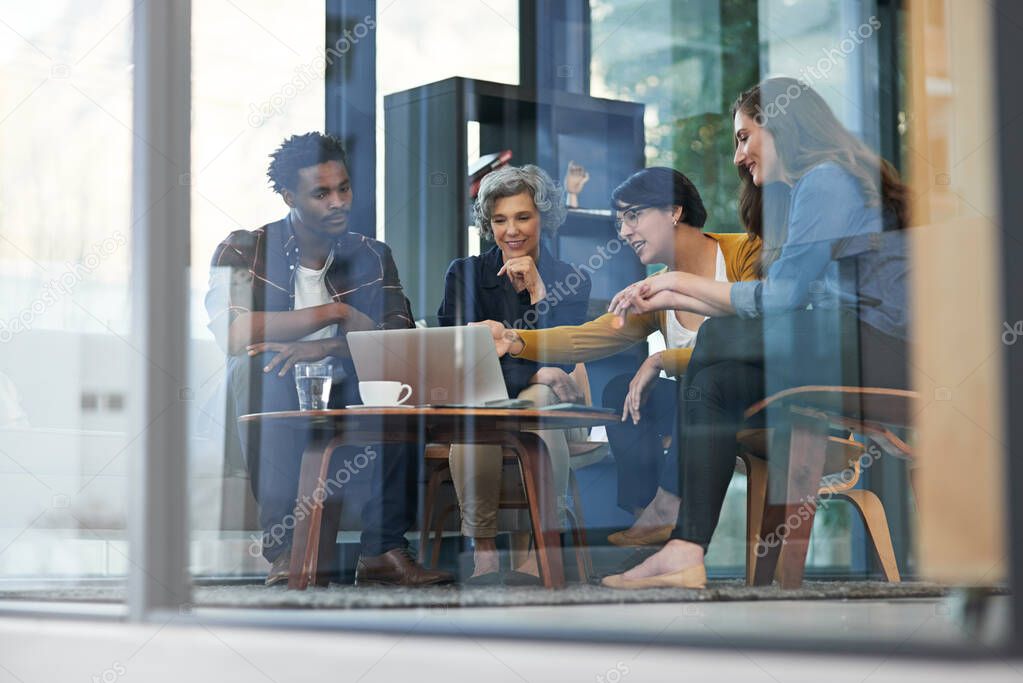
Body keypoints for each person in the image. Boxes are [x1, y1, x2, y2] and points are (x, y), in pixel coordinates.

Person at [600, 78, 911, 589]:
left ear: (782, 124)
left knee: (717, 340)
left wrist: (679, 284)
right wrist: (678, 294)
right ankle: (686, 546)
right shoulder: (806, 191)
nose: (738, 156)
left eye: (744, 137)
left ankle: (678, 519)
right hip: (844, 345)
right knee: (717, 380)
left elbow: (784, 298)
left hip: (882, 349)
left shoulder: (826, 180)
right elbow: (785, 301)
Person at [206, 132, 452, 587]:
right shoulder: (243, 249)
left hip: (347, 386)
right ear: (289, 196)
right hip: (273, 391)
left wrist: (320, 346)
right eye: (321, 193)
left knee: (396, 375)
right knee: (260, 369)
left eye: (344, 188)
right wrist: (337, 314)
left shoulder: (373, 256)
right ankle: (288, 552)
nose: (338, 202)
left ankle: (383, 550)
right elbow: (235, 332)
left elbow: (394, 340)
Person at [479, 167, 761, 546]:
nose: (624, 231)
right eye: (620, 222)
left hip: (753, 396)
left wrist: (662, 360)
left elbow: (757, 332)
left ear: (674, 211)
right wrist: (515, 339)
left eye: (633, 215)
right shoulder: (653, 289)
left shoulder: (744, 250)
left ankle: (668, 506)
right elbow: (587, 338)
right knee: (621, 391)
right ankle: (646, 513)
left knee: (698, 382)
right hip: (701, 409)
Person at [437, 164, 591, 582]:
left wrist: (540, 295)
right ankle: (484, 550)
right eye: (500, 219)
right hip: (481, 397)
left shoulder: (572, 281)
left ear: (544, 217)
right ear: (488, 223)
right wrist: (534, 373)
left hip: (550, 407)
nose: (512, 230)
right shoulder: (464, 274)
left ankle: (541, 544)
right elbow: (458, 361)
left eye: (523, 216)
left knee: (540, 404)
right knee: (479, 412)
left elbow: (564, 360)